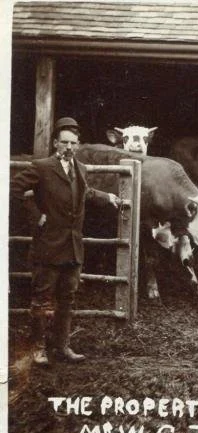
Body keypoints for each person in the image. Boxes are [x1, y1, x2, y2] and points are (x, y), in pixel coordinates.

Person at [10, 117, 121, 365]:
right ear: (55, 143)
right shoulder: (41, 167)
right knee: (42, 299)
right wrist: (35, 215)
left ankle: (62, 346)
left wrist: (107, 197)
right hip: (48, 244)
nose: (69, 147)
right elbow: (14, 188)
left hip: (72, 245)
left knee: (67, 299)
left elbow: (85, 192)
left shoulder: (80, 168)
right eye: (64, 142)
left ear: (78, 145)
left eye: (73, 143)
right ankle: (38, 348)